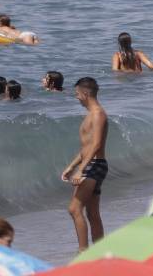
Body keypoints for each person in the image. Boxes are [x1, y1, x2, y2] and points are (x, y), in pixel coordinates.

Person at [61, 76, 108, 252]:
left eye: (77, 94)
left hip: (94, 166)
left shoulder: (98, 114)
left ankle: (83, 252)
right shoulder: (93, 114)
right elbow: (86, 147)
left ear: (86, 93)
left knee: (74, 209)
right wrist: (71, 166)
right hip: (94, 164)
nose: (77, 97)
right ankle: (99, 253)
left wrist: (81, 170)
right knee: (92, 213)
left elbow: (96, 145)